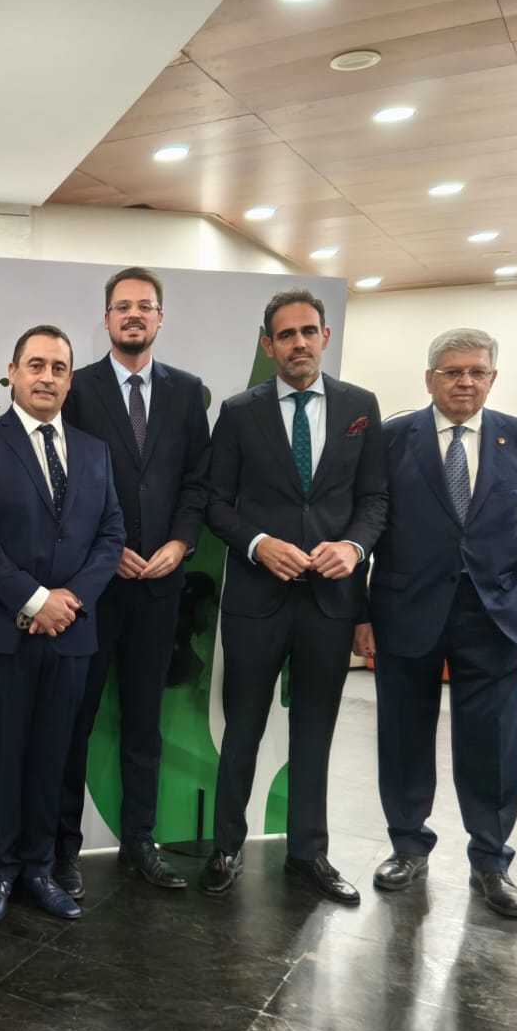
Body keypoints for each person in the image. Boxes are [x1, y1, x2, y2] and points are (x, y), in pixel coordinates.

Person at [354, 328, 517, 918]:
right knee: (401, 735)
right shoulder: (392, 439)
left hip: (494, 618)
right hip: (405, 612)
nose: (464, 381)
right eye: (451, 372)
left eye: (476, 371)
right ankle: (407, 846)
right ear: (430, 379)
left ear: (492, 378)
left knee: (492, 745)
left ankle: (492, 861)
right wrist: (362, 612)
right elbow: (366, 528)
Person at [200, 289, 387, 903]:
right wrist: (257, 543)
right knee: (243, 728)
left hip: (331, 602)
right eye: (286, 335)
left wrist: (354, 549)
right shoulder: (238, 410)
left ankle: (309, 853)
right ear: (268, 344)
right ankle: (227, 847)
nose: (299, 343)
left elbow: (374, 500)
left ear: (325, 338)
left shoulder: (361, 406)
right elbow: (211, 502)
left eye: (309, 331)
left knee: (316, 730)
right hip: (257, 598)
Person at [0, 325, 124, 925]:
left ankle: (40, 870)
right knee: (2, 757)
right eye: (35, 365)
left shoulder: (95, 450)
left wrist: (69, 599)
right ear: (12, 372)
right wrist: (33, 599)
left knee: (55, 756)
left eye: (58, 368)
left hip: (72, 632)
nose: (46, 377)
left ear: (70, 379)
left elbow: (112, 537)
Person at [59, 266, 211, 896]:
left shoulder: (187, 392)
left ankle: (139, 843)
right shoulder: (77, 387)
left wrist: (180, 543)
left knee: (146, 722)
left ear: (160, 319)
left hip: (160, 586)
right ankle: (63, 848)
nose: (133, 315)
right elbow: (62, 481)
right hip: (92, 588)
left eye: (145, 306)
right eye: (122, 306)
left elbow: (197, 483)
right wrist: (109, 549)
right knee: (77, 719)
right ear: (106, 318)